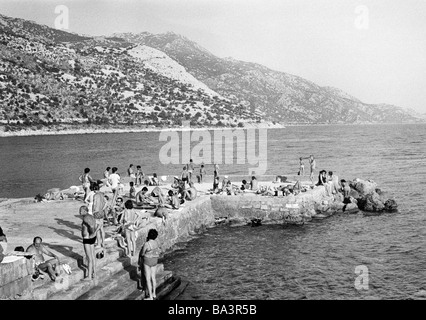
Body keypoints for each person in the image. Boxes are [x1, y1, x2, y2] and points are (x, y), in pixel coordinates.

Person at [139, 229, 161, 300]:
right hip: (155, 260)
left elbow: (142, 253)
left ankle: (150, 297)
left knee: (148, 279)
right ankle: (154, 293)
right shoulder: (156, 243)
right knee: (153, 277)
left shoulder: (147, 244)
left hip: (147, 261)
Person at [80, 207, 100, 280]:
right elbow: (100, 224)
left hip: (87, 239)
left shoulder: (86, 218)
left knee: (89, 258)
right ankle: (94, 273)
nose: (80, 212)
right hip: (91, 238)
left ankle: (89, 276)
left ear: (85, 211)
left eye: (81, 210)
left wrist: (92, 232)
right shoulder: (91, 216)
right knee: (93, 256)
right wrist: (94, 233)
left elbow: (91, 226)